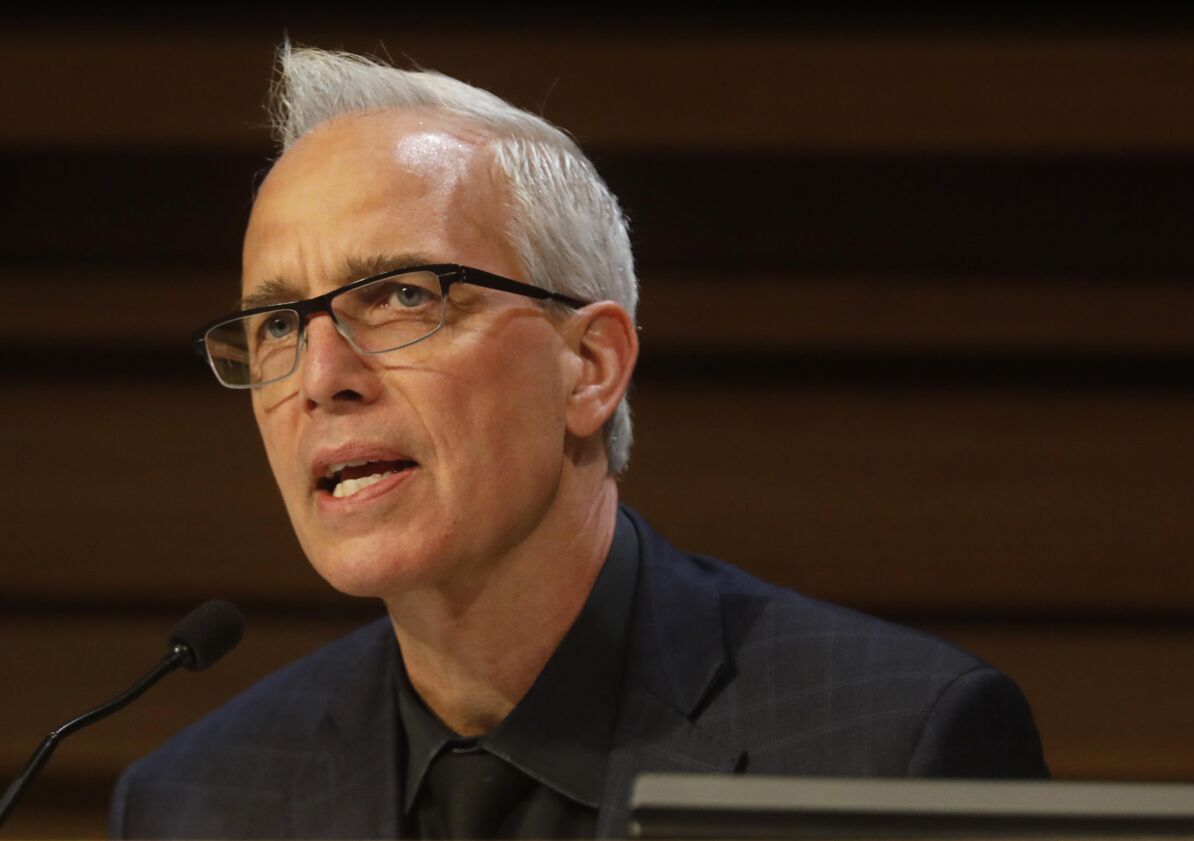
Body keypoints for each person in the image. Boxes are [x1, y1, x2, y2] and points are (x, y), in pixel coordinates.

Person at [108, 44, 1047, 839]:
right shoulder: (196, 805)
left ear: (591, 365)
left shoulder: (893, 751)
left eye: (401, 296)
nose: (321, 377)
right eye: (277, 324)